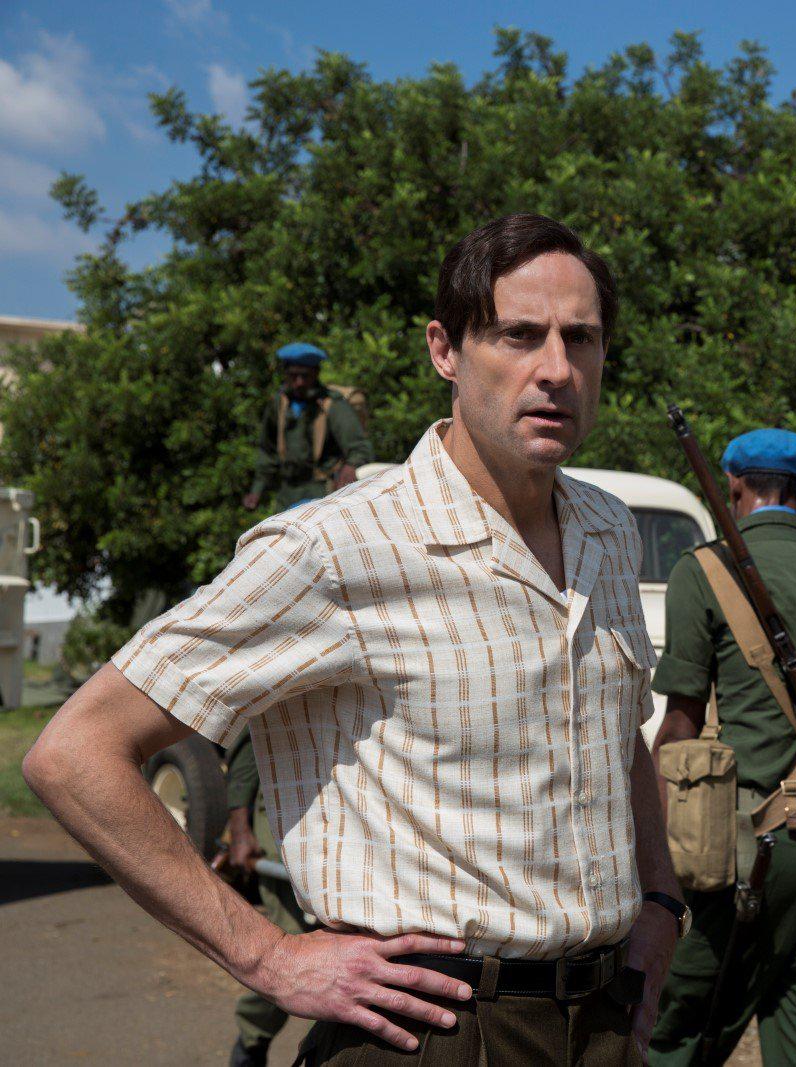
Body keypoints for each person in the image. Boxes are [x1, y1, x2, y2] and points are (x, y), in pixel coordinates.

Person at [25, 213, 687, 1066]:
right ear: (445, 350)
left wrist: (662, 899)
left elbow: (619, 733)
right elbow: (75, 752)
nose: (555, 369)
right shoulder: (333, 549)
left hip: (603, 1023)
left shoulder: (609, 529)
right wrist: (266, 955)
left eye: (580, 338)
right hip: (434, 1032)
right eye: (518, 335)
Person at [648, 428, 796, 1067]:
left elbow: (680, 726)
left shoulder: (703, 570)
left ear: (734, 487)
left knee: (675, 1035)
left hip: (736, 849)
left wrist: (643, 846)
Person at [221, 731, 312, 1067]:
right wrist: (241, 831)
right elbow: (249, 744)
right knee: (292, 950)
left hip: (345, 819)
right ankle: (251, 1039)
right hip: (285, 820)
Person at [243, 342, 375, 511]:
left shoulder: (332, 405)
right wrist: (257, 490)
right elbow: (268, 451)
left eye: (305, 376)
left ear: (316, 374)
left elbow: (360, 447)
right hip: (287, 493)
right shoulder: (279, 405)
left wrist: (351, 466)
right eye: (293, 376)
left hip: (323, 491)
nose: (299, 382)